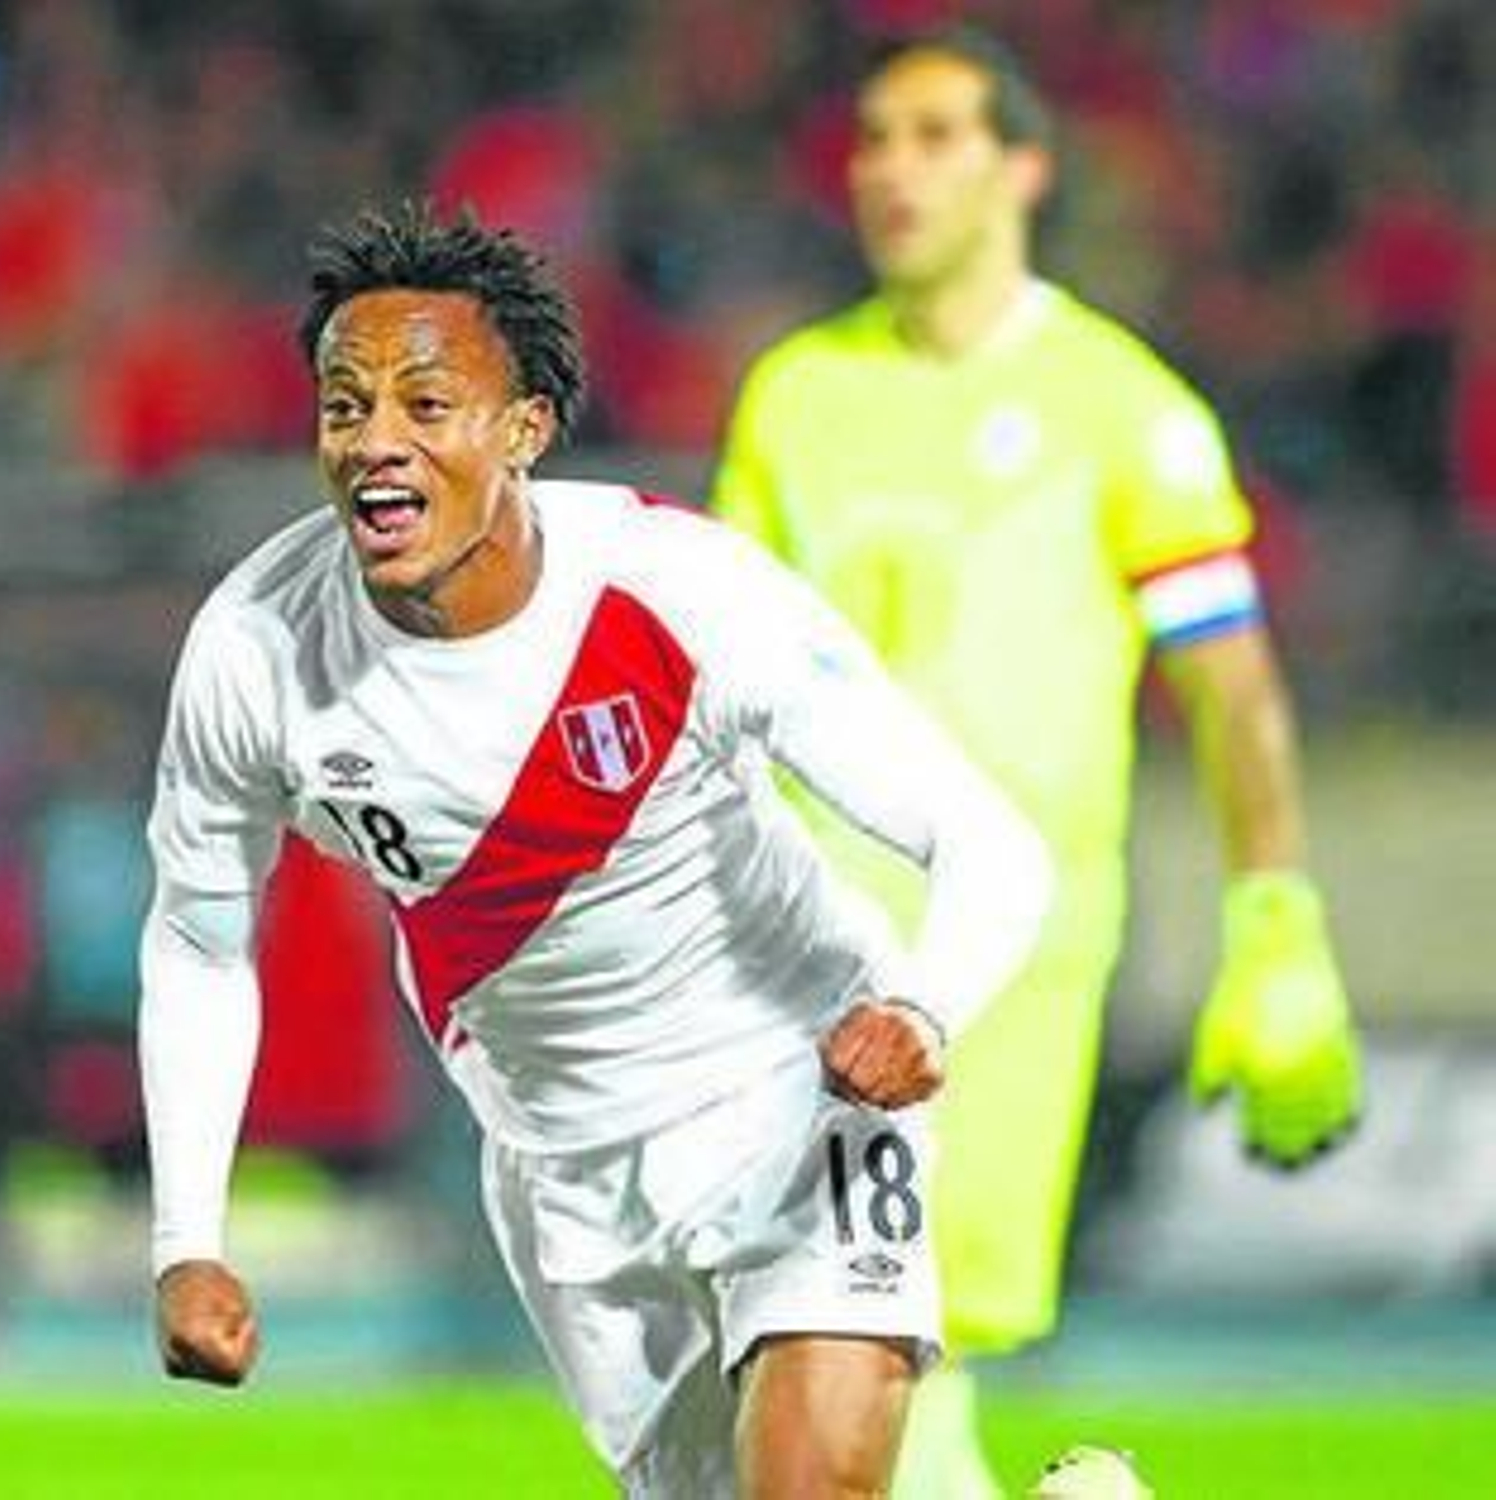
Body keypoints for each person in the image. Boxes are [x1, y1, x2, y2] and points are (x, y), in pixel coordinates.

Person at [138, 200, 1053, 1498]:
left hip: (802, 1096)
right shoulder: (257, 650)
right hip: (565, 1171)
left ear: (525, 429)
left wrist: (926, 1008)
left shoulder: (682, 594)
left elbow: (989, 844)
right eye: (346, 407)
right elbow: (196, 939)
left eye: (426, 404)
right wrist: (189, 1239)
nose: (376, 444)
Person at [711, 26, 1364, 1500]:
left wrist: (1278, 920)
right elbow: (727, 673)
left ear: (1023, 169)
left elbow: (1231, 677)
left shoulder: (1122, 407)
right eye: (874, 138)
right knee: (804, 1351)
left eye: (937, 135)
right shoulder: (796, 397)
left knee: (902, 1333)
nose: (893, 168)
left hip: (1010, 939)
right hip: (800, 944)